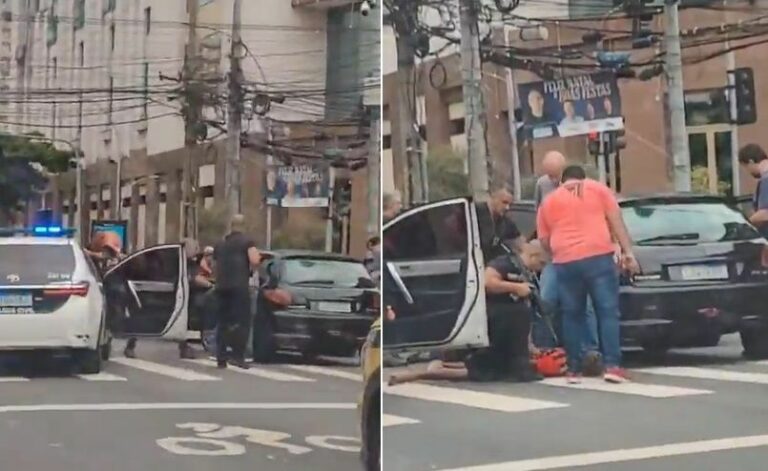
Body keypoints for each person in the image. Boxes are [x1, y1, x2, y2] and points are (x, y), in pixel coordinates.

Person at [537, 165, 639, 384]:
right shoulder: (598, 189)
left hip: (565, 260)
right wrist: (628, 252)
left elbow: (544, 240)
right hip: (598, 256)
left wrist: (560, 251)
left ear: (562, 181)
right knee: (607, 311)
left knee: (572, 313)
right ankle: (612, 365)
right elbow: (615, 221)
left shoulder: (549, 201)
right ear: (583, 178)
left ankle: (573, 369)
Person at [388, 242, 542, 385]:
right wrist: (515, 288)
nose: (540, 268)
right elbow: (487, 282)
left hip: (510, 332)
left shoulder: (526, 272)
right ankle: (419, 374)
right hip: (498, 323)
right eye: (541, 263)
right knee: (480, 370)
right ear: (533, 255)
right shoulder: (506, 263)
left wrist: (530, 345)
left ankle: (438, 367)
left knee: (491, 366)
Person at [534, 152, 601, 375]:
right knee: (545, 299)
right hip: (554, 257)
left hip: (582, 255)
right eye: (550, 176)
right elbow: (539, 216)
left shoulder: (584, 187)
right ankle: (545, 349)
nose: (553, 181)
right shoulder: (542, 185)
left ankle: (590, 352)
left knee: (586, 305)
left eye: (556, 176)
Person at [213, 214, 261, 369]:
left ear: (231, 226)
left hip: (221, 287)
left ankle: (221, 357)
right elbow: (255, 260)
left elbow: (214, 264)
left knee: (222, 322)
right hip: (239, 287)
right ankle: (237, 356)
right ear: (243, 226)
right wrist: (253, 270)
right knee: (242, 322)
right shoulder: (247, 242)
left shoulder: (221, 243)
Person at [476, 184, 523, 262]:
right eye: (504, 202)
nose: (507, 207)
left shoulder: (506, 222)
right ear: (492, 197)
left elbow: (520, 242)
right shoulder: (475, 214)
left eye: (510, 204)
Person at [738, 144, 768, 237]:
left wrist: (745, 225)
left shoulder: (766, 180)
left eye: (746, 167)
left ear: (751, 162)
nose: (747, 171)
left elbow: (765, 213)